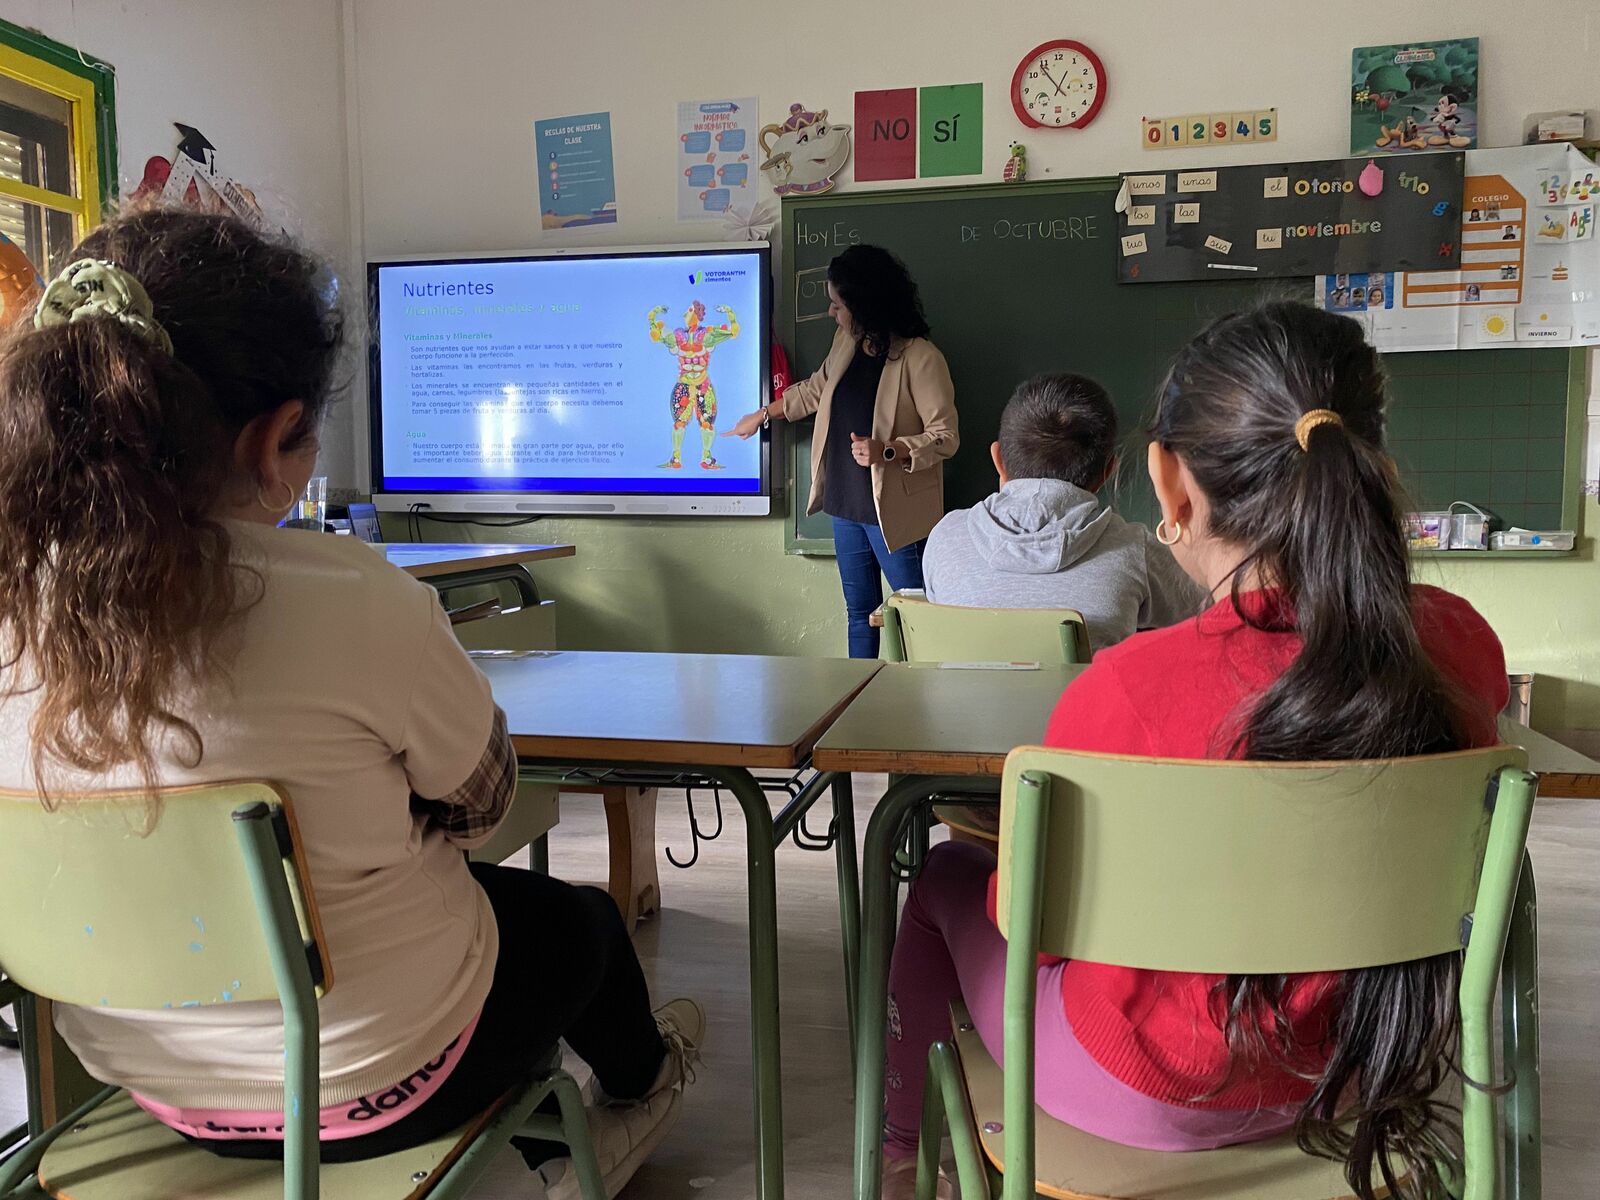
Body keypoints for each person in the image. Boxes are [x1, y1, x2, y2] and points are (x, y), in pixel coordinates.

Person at [0, 207, 700, 1200]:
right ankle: (636, 1092)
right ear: (277, 437)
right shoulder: (355, 596)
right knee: (576, 926)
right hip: (389, 1078)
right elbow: (483, 805)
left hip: (138, 1086)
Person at [877, 302, 1508, 1200]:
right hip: (1365, 1069)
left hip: (1141, 1089)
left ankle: (903, 1155)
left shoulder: (1128, 689)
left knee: (946, 879)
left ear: (1169, 483)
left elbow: (1035, 933)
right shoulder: (1461, 648)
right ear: (1373, 468)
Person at [727, 244, 957, 657]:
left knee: (916, 614)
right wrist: (764, 414)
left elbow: (945, 436)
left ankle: (921, 703)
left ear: (864, 303)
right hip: (845, 505)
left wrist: (888, 450)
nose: (832, 313)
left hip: (893, 514)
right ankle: (859, 702)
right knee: (859, 613)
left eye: (837, 304)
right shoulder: (845, 342)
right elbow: (816, 390)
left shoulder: (922, 358)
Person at [921, 373, 1204, 651]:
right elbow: (1207, 609)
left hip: (960, 699)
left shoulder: (945, 537)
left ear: (999, 460)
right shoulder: (1135, 549)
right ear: (1109, 471)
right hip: (1086, 698)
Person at [649, 298, 738, 470]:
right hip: (683, 385)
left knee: (707, 423)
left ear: (697, 314)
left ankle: (706, 458)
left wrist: (730, 313)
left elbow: (732, 332)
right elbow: (657, 335)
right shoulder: (677, 336)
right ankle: (676, 459)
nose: (685, 314)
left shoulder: (707, 336)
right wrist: (653, 315)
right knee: (679, 423)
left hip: (703, 385)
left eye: (689, 310)